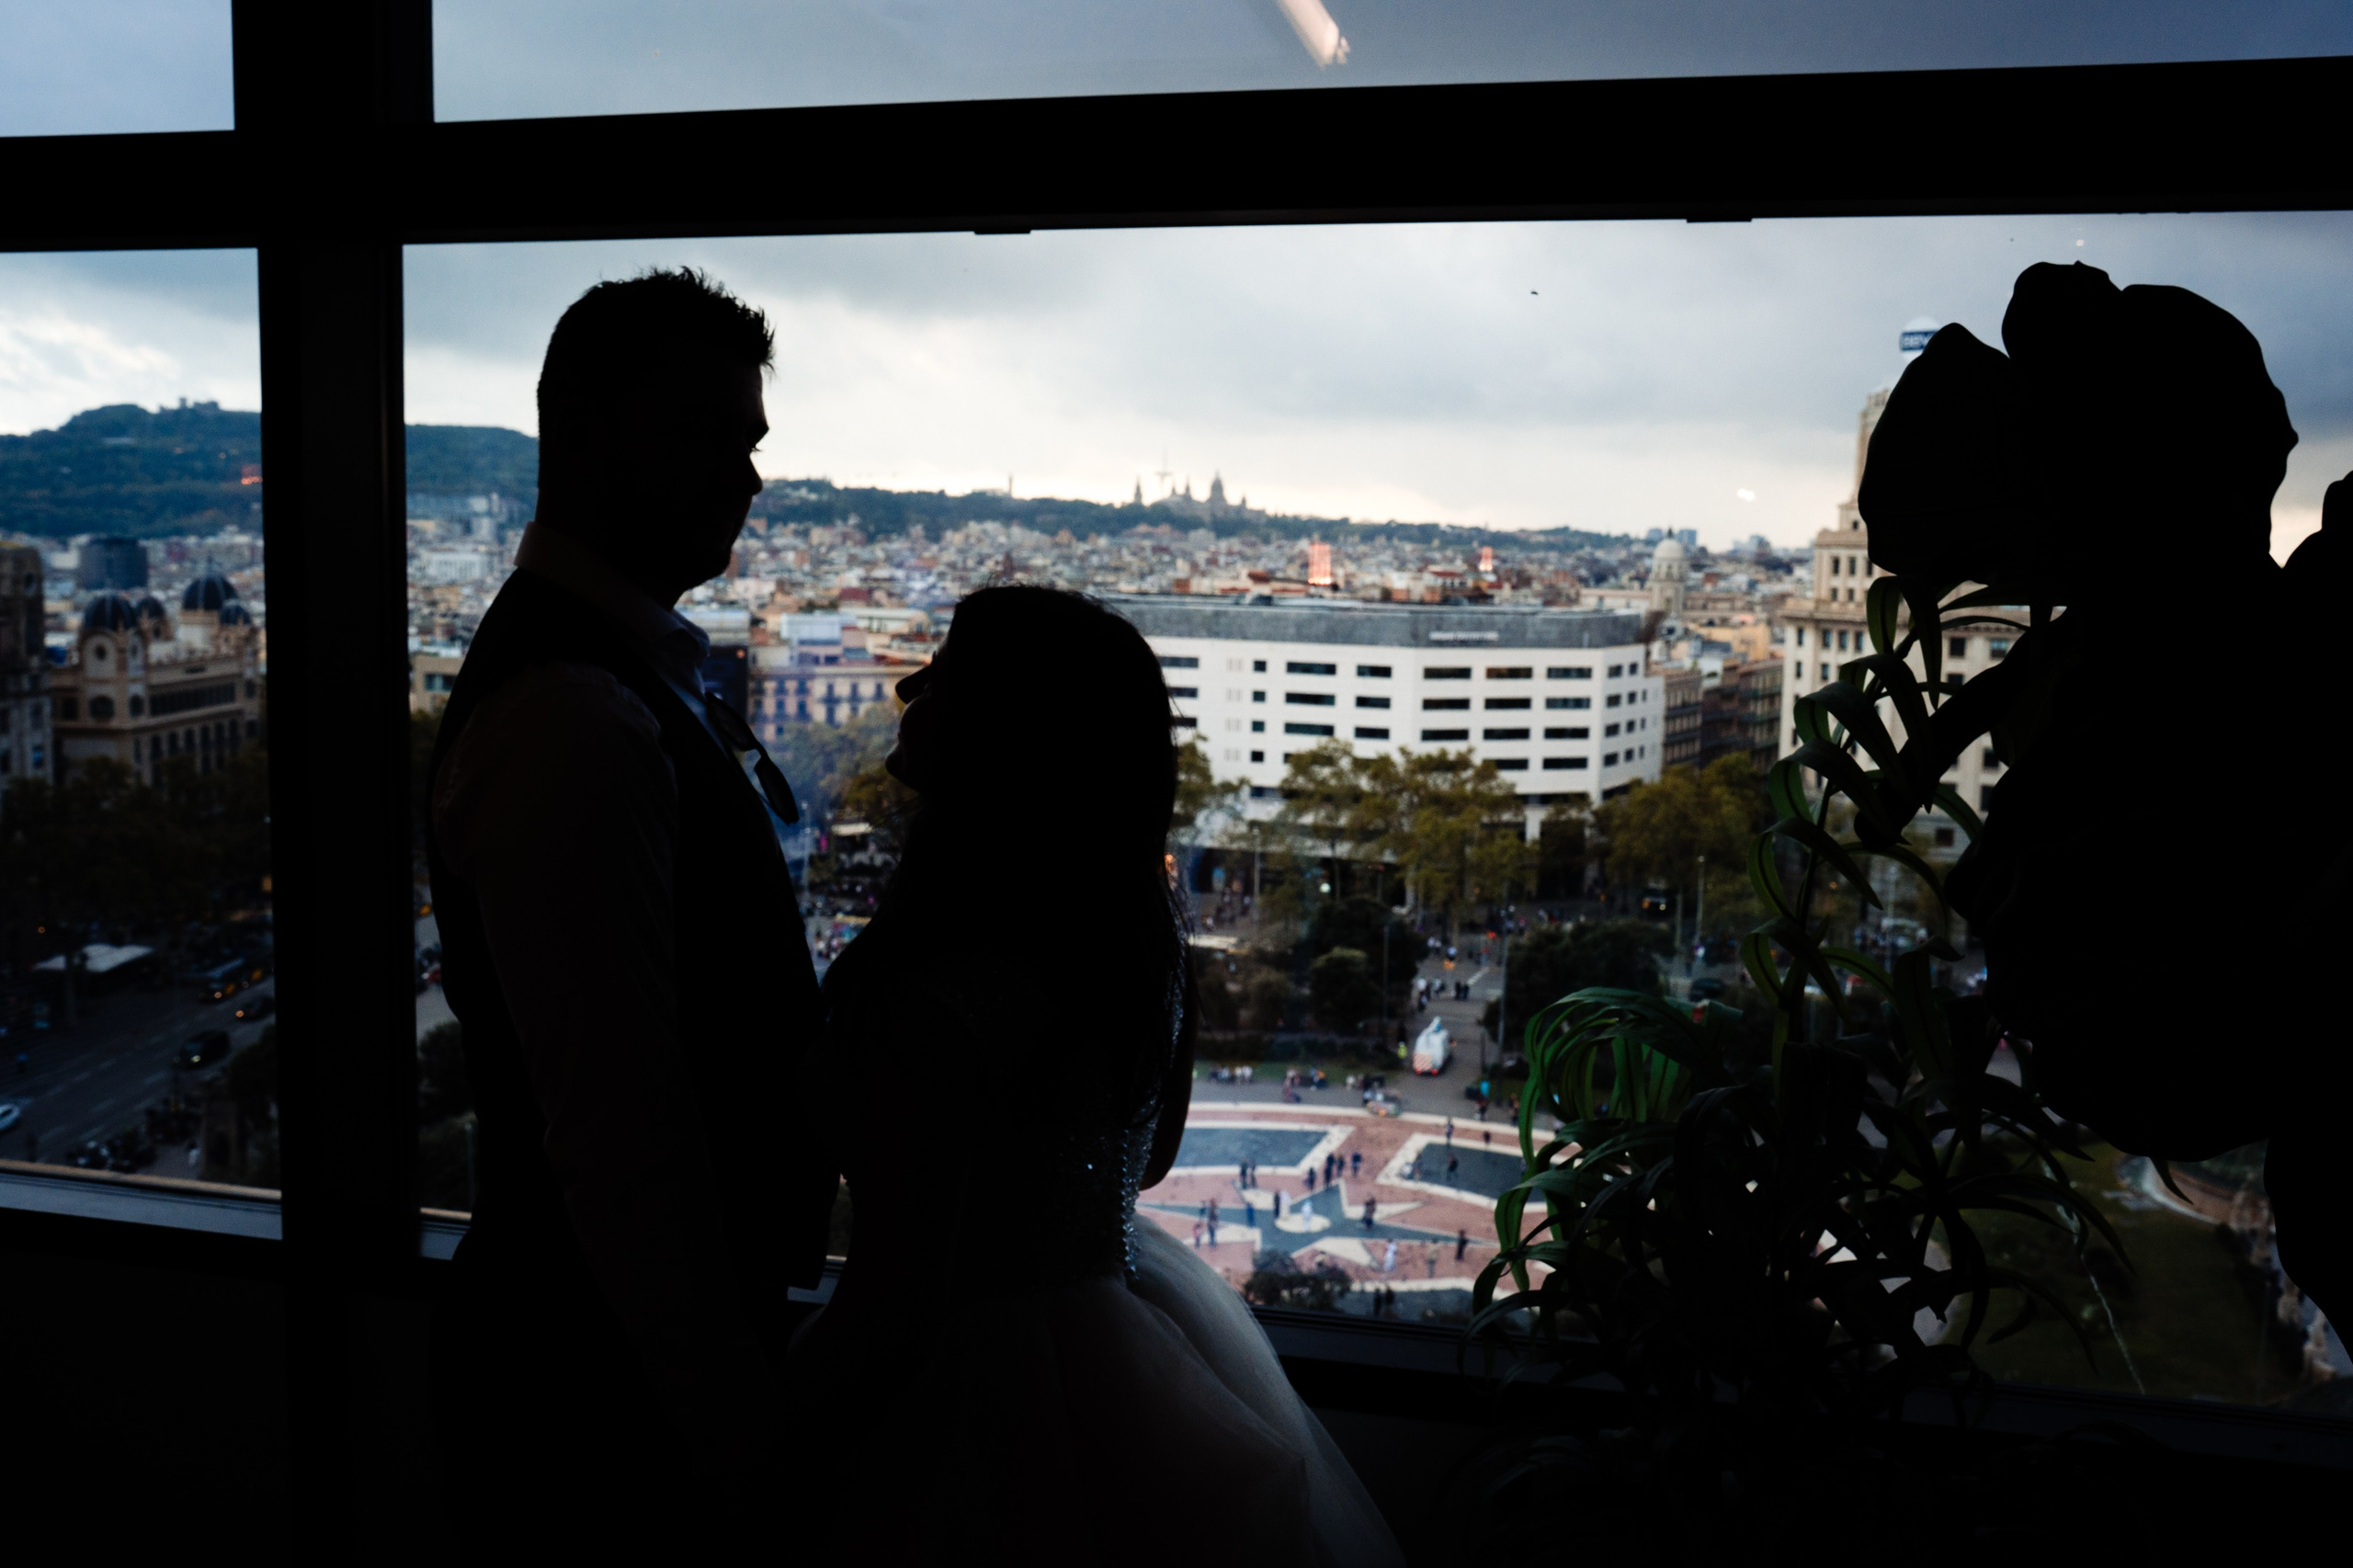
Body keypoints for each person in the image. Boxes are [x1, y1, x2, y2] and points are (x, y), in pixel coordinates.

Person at [791, 586, 1401, 1565]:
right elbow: (1146, 1162)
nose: (910, 683)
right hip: (1127, 1328)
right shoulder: (1137, 947)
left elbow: (893, 1297)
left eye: (943, 671)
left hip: (962, 1406)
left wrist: (757, 1439)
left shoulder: (934, 988)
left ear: (1008, 733)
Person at [425, 270, 827, 1547]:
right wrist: (733, 1427)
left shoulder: (602, 679)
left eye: (751, 442)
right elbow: (623, 1132)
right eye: (705, 435)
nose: (747, 480)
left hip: (599, 1368)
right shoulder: (575, 718)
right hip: (609, 1402)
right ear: (587, 435)